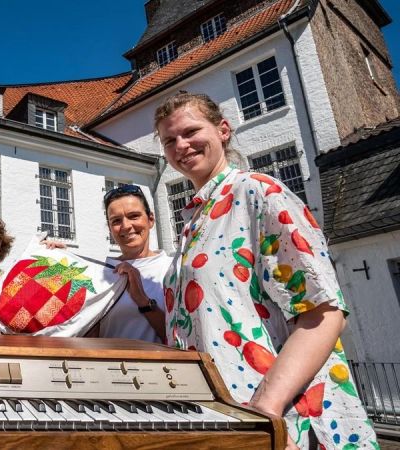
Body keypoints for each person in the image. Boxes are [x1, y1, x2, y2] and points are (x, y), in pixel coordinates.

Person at [155, 92, 377, 449]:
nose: (181, 145)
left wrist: (265, 412)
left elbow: (324, 313)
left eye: (190, 131)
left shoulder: (258, 192)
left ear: (223, 130)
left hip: (283, 424)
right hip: (226, 424)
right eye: (169, 140)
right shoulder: (192, 222)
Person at [97, 185, 167, 343]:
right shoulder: (100, 274)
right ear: (110, 228)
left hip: (161, 366)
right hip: (109, 366)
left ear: (150, 220)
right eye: (116, 220)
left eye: (134, 216)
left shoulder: (172, 268)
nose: (126, 226)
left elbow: (182, 337)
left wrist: (142, 300)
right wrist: (55, 258)